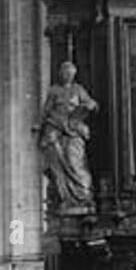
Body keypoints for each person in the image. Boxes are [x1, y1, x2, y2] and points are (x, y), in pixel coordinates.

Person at [39, 60, 98, 211]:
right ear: (60, 74)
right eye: (65, 73)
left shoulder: (78, 89)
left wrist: (89, 105)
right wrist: (40, 124)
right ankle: (66, 197)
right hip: (57, 128)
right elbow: (46, 110)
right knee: (57, 160)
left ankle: (82, 194)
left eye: (70, 74)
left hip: (74, 129)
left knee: (74, 161)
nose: (67, 76)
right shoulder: (54, 90)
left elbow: (91, 103)